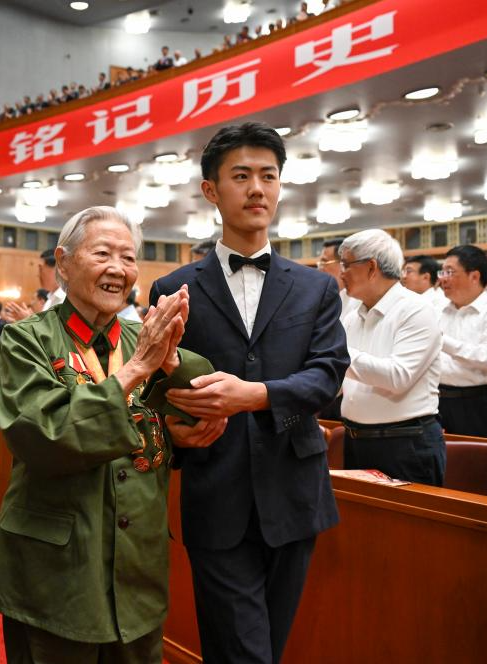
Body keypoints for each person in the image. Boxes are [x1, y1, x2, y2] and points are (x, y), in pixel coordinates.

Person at [0, 206, 223, 663]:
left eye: (129, 258)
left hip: (138, 568)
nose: (118, 269)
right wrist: (137, 370)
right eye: (103, 254)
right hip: (55, 571)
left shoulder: (146, 339)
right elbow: (44, 434)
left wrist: (172, 364)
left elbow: (203, 418)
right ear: (64, 262)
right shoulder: (26, 339)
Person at [151, 122, 349, 664]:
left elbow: (328, 374)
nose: (257, 189)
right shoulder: (172, 289)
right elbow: (156, 383)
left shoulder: (316, 288)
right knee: (244, 651)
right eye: (241, 176)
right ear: (211, 191)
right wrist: (172, 427)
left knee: (265, 644)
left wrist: (254, 394)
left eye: (269, 175)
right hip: (215, 487)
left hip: (293, 489)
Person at [338, 230, 445, 485]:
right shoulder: (353, 316)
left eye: (346, 264)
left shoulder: (416, 310)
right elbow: (342, 375)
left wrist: (337, 352)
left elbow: (399, 377)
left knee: (410, 525)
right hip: (355, 438)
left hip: (403, 442)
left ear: (371, 267)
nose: (341, 273)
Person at [437, 245, 487, 439]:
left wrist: (442, 341)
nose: (443, 278)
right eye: (442, 271)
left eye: (450, 272)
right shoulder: (436, 310)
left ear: (474, 276)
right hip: (436, 400)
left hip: (478, 403)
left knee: (479, 465)